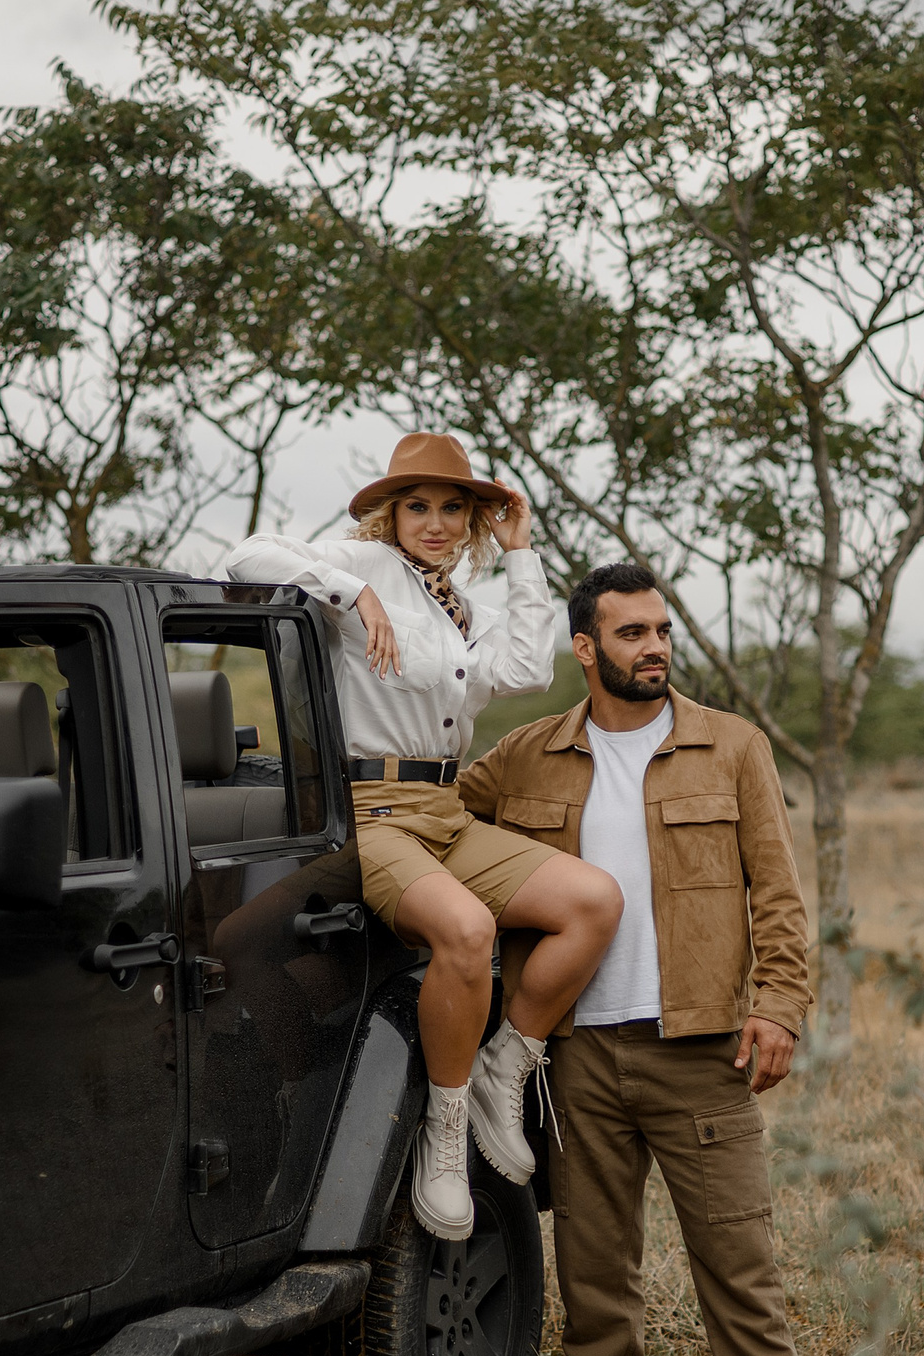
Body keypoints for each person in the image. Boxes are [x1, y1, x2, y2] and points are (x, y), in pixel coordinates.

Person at [458, 562, 824, 1356]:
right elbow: (444, 827)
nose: (654, 646)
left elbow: (779, 890)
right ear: (585, 649)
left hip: (699, 1046)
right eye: (630, 633)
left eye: (660, 630)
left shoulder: (733, 747)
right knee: (591, 1250)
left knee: (736, 1248)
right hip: (573, 1049)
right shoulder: (526, 756)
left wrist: (779, 1004)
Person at [218, 433, 622, 1242]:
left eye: (450, 508)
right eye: (417, 506)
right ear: (390, 512)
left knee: (594, 900)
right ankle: (445, 1125)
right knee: (466, 929)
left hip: (443, 811)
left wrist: (520, 553)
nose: (434, 523)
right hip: (371, 813)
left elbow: (527, 672)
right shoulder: (361, 567)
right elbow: (245, 556)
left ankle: (507, 1063)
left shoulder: (456, 601)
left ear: (470, 519)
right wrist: (351, 597)